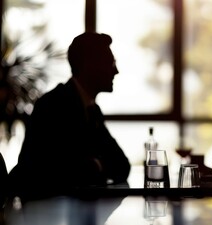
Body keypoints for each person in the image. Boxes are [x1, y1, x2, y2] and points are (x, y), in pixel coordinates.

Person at [9, 32, 131, 197]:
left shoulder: (92, 110)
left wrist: (93, 165)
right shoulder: (53, 105)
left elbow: (122, 165)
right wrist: (97, 165)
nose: (116, 71)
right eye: (110, 63)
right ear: (90, 65)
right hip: (41, 213)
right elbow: (55, 173)